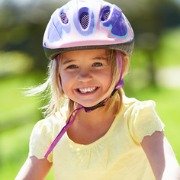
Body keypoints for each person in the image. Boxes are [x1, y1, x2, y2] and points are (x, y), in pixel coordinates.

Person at [16, 0, 180, 179]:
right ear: (58, 74)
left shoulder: (137, 118)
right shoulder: (49, 132)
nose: (84, 76)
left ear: (121, 65)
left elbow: (168, 168)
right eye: (71, 66)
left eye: (97, 64)